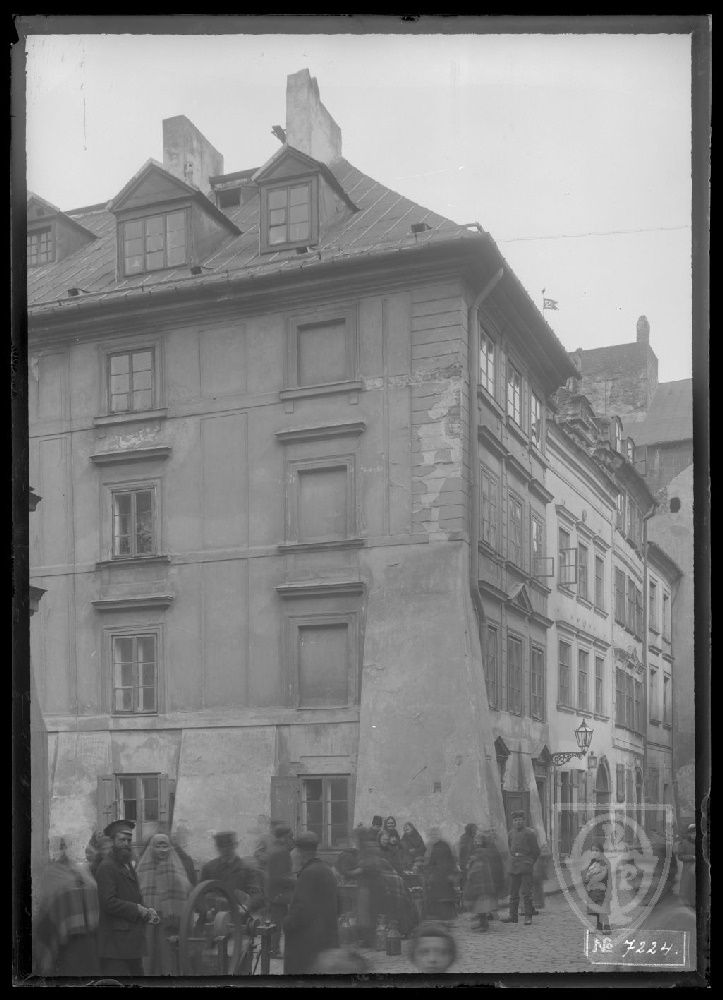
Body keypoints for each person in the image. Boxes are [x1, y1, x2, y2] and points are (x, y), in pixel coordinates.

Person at [95, 819, 158, 977]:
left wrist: (147, 910)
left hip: (130, 942)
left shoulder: (128, 864)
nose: (126, 844)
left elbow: (133, 895)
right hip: (116, 945)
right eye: (122, 840)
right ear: (112, 842)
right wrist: (137, 910)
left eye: (129, 840)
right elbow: (108, 902)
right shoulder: (106, 867)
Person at [33, 835, 101, 977]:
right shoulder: (51, 874)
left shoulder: (84, 872)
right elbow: (46, 911)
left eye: (66, 845)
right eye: (60, 846)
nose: (63, 850)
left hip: (89, 941)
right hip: (66, 944)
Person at [283, 832, 339, 975]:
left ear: (299, 852)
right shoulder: (326, 870)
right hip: (325, 939)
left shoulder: (308, 873)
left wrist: (287, 924)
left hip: (307, 943)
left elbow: (300, 910)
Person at [136, 832, 192, 975]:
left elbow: (184, 893)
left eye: (165, 846)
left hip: (168, 921)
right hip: (147, 920)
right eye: (158, 846)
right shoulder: (142, 868)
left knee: (167, 958)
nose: (161, 850)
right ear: (152, 848)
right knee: (148, 957)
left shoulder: (176, 868)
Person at [200, 831, 265, 913]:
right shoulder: (209, 868)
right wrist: (206, 910)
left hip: (237, 915)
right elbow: (199, 893)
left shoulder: (246, 869)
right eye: (222, 847)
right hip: (213, 914)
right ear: (217, 848)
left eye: (229, 846)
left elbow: (257, 895)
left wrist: (246, 907)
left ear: (235, 845)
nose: (226, 850)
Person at [501, 811, 540, 926]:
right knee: (513, 892)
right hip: (514, 865)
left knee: (526, 892)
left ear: (523, 820)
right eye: (515, 820)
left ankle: (528, 916)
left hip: (526, 864)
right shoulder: (511, 833)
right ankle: (513, 916)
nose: (518, 822)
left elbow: (536, 851)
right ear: (513, 822)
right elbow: (510, 847)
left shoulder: (529, 833)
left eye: (520, 820)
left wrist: (530, 862)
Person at [266, 824, 295, 959]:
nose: (292, 839)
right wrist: (297, 880)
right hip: (279, 893)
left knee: (277, 921)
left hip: (277, 891)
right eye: (291, 836)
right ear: (284, 837)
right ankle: (274, 950)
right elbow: (279, 877)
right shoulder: (280, 851)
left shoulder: (276, 849)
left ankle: (274, 949)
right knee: (277, 922)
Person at [462, 833, 501, 932]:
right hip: (479, 882)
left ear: (483, 842)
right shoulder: (477, 853)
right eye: (475, 841)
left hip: (482, 882)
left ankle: (484, 924)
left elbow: (480, 866)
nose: (476, 842)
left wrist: (472, 868)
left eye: (478, 841)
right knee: (478, 904)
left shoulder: (483, 853)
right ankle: (482, 922)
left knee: (481, 905)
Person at [580, 841, 612, 934]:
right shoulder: (593, 862)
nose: (594, 852)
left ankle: (607, 927)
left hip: (602, 890)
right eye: (593, 850)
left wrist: (591, 878)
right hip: (593, 890)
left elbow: (604, 875)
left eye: (596, 850)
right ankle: (599, 927)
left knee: (602, 909)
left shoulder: (604, 862)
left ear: (601, 851)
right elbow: (588, 873)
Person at [424, 838, 458, 923]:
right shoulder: (445, 849)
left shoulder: (437, 849)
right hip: (443, 877)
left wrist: (430, 874)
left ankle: (442, 918)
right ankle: (447, 918)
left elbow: (431, 864)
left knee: (441, 899)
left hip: (439, 877)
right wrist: (452, 874)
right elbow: (451, 862)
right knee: (446, 899)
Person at [676, 823, 696, 907]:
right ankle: (687, 903)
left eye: (696, 833)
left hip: (699, 869)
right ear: (689, 834)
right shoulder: (683, 843)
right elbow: (680, 856)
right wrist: (692, 857)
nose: (694, 835)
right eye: (693, 833)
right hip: (688, 869)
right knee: (687, 887)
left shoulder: (702, 843)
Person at [458, 823, 478, 889]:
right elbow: (465, 851)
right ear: (470, 830)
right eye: (474, 830)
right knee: (466, 881)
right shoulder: (466, 838)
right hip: (467, 862)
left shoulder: (470, 838)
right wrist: (470, 859)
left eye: (475, 830)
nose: (475, 831)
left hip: (468, 862)